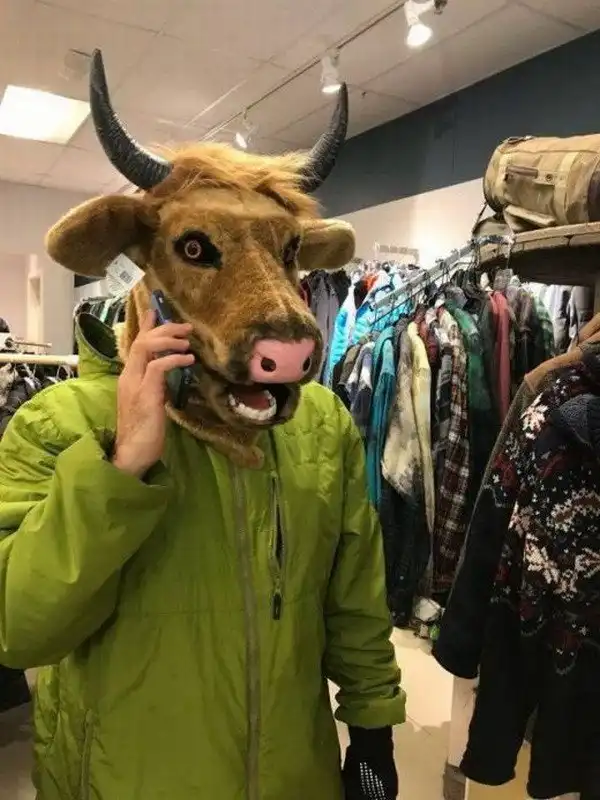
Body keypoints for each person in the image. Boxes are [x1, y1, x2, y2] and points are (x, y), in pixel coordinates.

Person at [0, 50, 405, 800]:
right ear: (148, 263)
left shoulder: (319, 423)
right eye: (198, 249)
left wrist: (373, 730)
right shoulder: (56, 423)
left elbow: (354, 597)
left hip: (293, 778)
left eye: (285, 255)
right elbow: (18, 629)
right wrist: (118, 468)